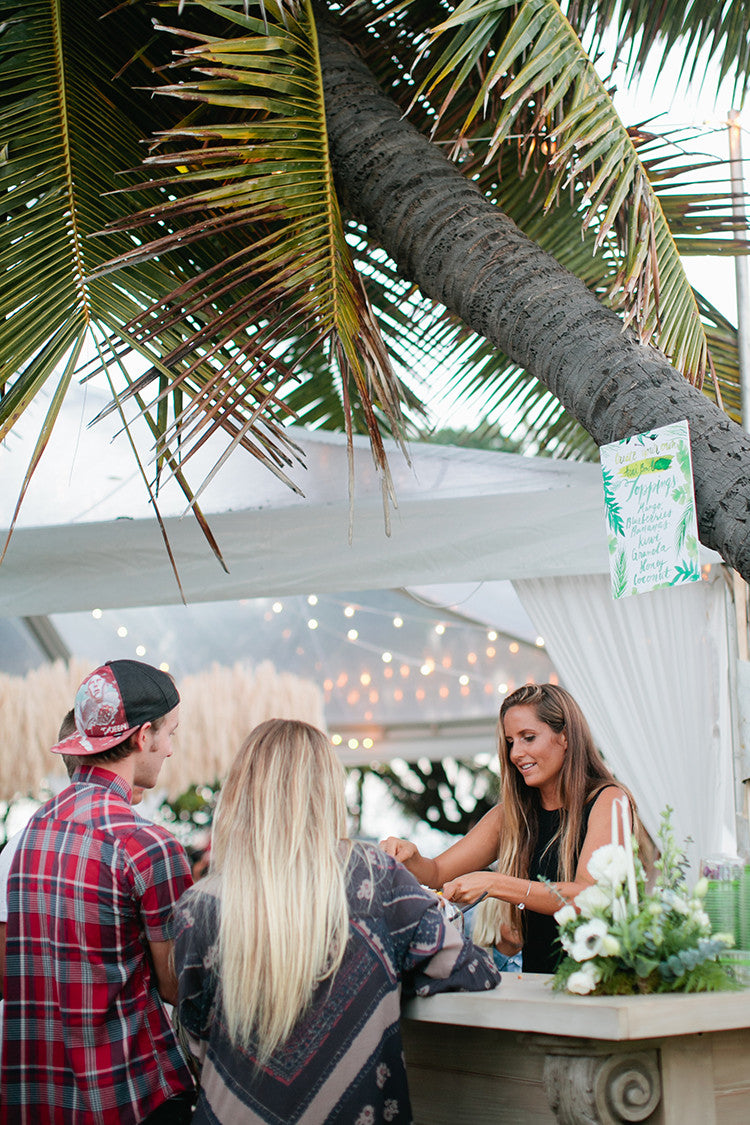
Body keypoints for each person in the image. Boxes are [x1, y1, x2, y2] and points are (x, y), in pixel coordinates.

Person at [172, 718, 502, 1123]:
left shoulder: (198, 905)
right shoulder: (375, 876)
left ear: (240, 793)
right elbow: (471, 969)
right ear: (327, 791)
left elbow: (193, 1033)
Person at [0, 660, 195, 1125]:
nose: (169, 750)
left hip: (36, 1098)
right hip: (127, 1095)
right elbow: (179, 986)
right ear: (142, 736)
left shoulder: (32, 832)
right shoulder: (147, 845)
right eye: (170, 733)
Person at [381, 683, 644, 975]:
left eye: (528, 738)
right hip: (534, 990)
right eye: (510, 742)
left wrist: (494, 884)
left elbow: (587, 898)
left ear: (565, 736)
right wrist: (410, 856)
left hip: (602, 987)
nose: (516, 753)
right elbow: (438, 872)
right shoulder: (511, 815)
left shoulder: (608, 800)